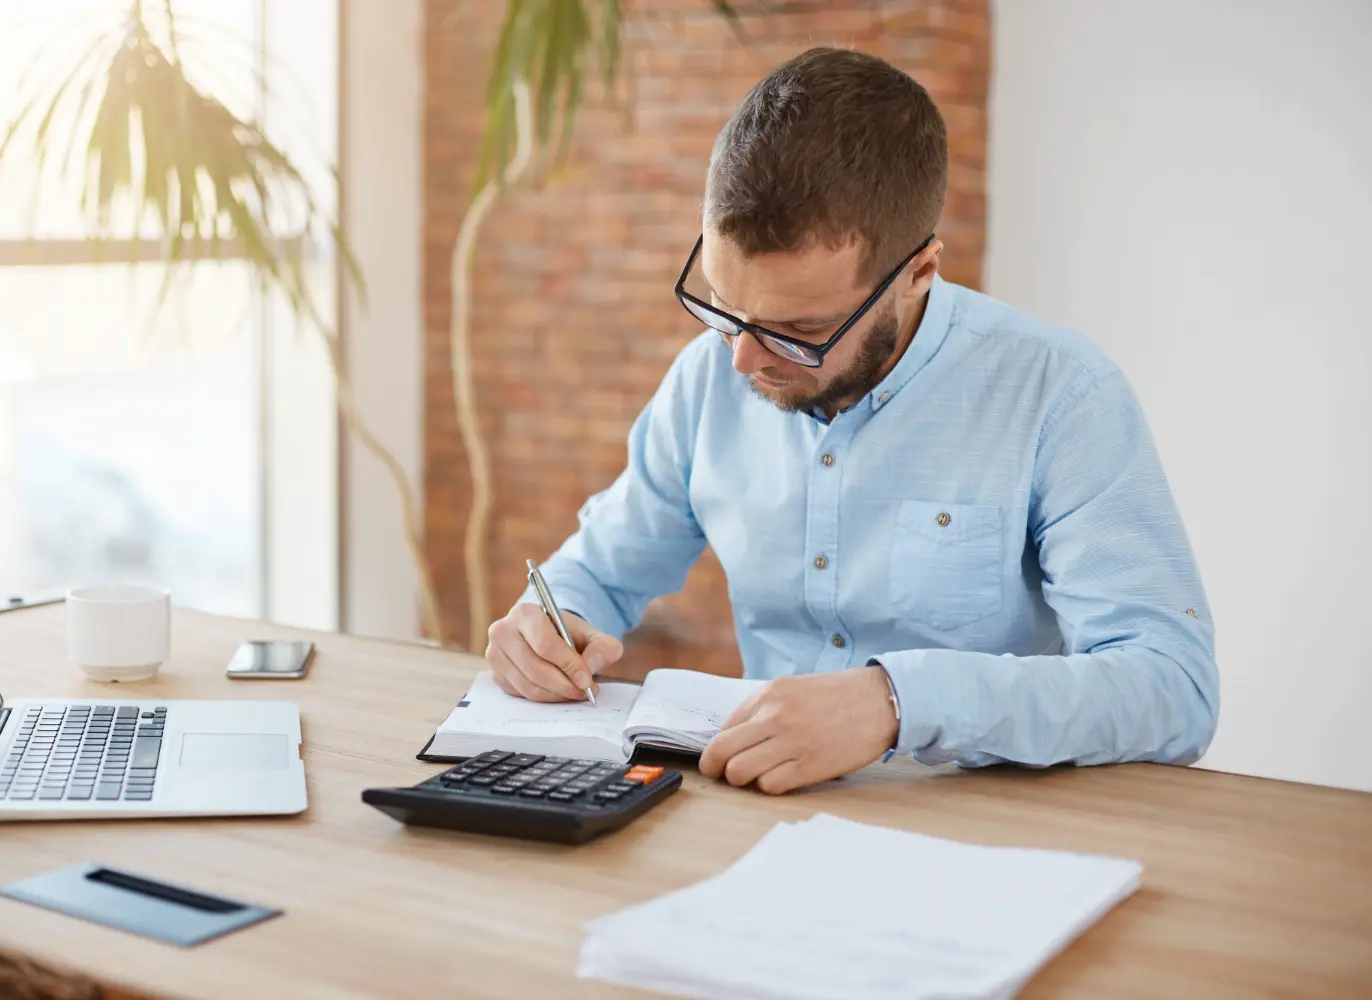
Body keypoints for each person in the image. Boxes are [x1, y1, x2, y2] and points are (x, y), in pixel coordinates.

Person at [484, 46, 1218, 794]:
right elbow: (601, 570)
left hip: (983, 834)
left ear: (920, 272)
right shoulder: (710, 376)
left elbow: (1172, 688)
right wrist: (549, 623)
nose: (743, 360)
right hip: (758, 812)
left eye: (797, 329)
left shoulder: (1060, 394)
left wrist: (897, 703)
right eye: (726, 306)